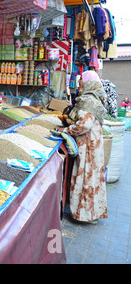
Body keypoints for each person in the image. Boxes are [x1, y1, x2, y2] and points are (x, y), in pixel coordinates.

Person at [58, 70, 108, 224]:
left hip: (88, 146)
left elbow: (84, 125)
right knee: (91, 178)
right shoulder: (94, 98)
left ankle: (84, 215)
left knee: (86, 176)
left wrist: (65, 130)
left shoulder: (88, 99)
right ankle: (90, 213)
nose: (79, 86)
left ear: (88, 84)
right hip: (93, 144)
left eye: (81, 83)